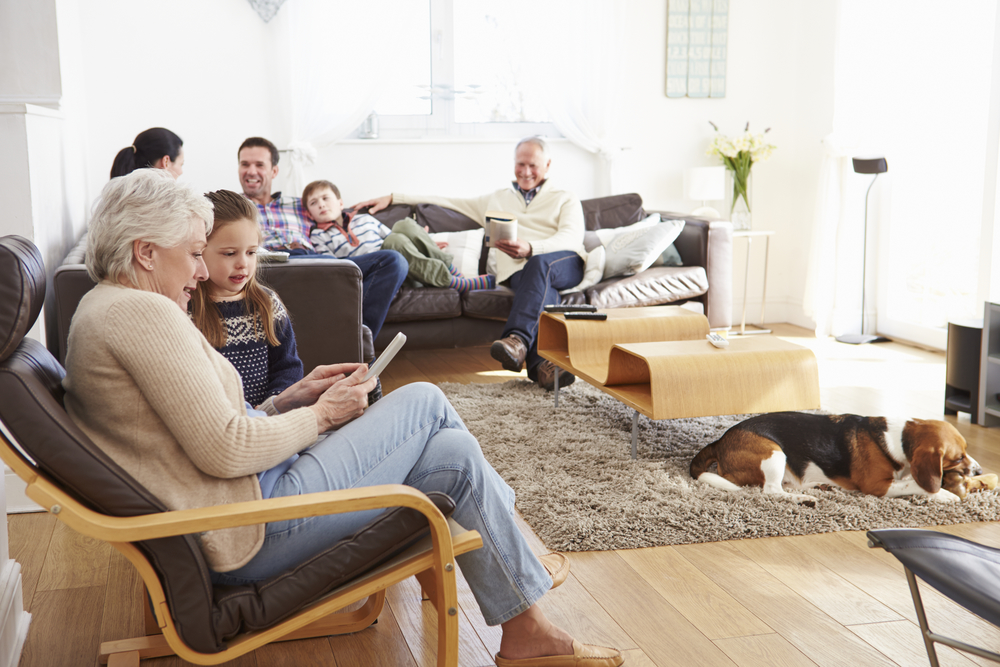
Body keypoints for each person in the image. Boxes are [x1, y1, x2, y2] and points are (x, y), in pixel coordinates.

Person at [62, 169, 623, 667]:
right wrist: (325, 415)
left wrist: (292, 397)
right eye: (192, 253)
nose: (197, 271)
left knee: (451, 457)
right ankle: (518, 556)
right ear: (145, 252)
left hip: (241, 504)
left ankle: (525, 631)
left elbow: (204, 431)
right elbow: (226, 449)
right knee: (424, 400)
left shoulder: (110, 308)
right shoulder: (142, 314)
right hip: (248, 526)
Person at [355, 137, 586, 391]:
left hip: (564, 261)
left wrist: (531, 248)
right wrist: (393, 196)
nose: (526, 171)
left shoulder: (565, 197)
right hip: (524, 272)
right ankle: (543, 367)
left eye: (533, 165)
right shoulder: (497, 199)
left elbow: (571, 238)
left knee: (540, 264)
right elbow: (447, 201)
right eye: (521, 164)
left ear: (548, 165)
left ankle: (517, 339)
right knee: (542, 289)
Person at [237, 137, 407, 341]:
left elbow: (333, 211)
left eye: (259, 165)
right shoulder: (234, 208)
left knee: (392, 261)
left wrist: (390, 198)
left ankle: (357, 343)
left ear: (274, 171)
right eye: (245, 164)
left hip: (316, 263)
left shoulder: (301, 204)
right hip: (270, 266)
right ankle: (355, 351)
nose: (251, 171)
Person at [190, 190, 304, 407]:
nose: (243, 263)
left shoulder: (268, 303)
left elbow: (288, 367)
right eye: (230, 253)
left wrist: (273, 404)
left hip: (268, 422)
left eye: (251, 252)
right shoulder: (185, 307)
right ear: (199, 251)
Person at [303, 179, 495, 293]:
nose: (321, 204)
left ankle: (452, 270)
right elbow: (330, 267)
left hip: (410, 266)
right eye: (314, 202)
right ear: (310, 214)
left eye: (325, 198)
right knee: (395, 241)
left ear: (340, 202)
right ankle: (453, 282)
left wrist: (425, 241)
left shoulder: (364, 220)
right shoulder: (318, 236)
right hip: (381, 272)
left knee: (404, 225)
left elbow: (396, 236)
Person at [110, 127, 185, 179]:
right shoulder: (173, 201)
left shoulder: (114, 199)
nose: (181, 172)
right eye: (181, 164)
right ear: (165, 162)